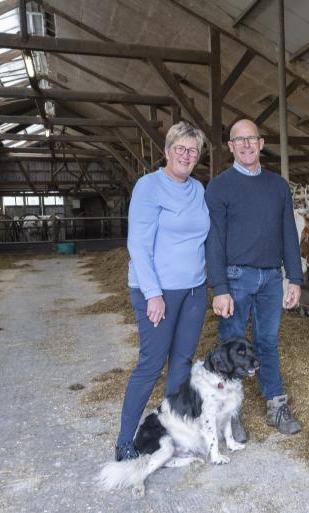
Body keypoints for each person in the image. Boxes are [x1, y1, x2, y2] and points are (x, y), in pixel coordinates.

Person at [114, 121, 210, 461]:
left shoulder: (198, 189)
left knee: (182, 363)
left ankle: (175, 434)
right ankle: (125, 441)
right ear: (167, 151)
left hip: (194, 290)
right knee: (152, 363)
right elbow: (137, 244)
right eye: (180, 148)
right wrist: (153, 293)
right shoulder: (149, 186)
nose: (186, 155)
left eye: (193, 151)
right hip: (158, 291)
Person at [205, 119, 303, 437]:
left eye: (252, 139)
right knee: (231, 343)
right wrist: (219, 288)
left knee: (268, 342)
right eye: (239, 140)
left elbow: (289, 234)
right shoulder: (219, 187)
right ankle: (230, 412)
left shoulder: (278, 186)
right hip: (236, 277)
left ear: (261, 144)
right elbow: (214, 241)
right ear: (230, 147)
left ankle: (276, 404)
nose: (246, 145)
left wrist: (296, 279)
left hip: (272, 278)